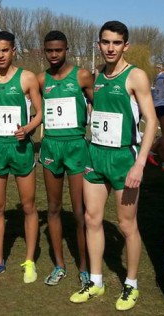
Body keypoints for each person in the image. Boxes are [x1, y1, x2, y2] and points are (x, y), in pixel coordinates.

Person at [69, 21, 158, 311]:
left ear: (125, 45)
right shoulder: (98, 76)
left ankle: (131, 284)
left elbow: (152, 121)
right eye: (105, 42)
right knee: (92, 219)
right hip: (96, 157)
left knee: (126, 225)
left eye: (116, 43)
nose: (110, 47)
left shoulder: (136, 76)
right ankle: (96, 281)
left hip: (123, 160)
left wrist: (140, 164)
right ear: (98, 44)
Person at [0, 31, 42, 283]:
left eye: (5, 50)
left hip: (21, 148)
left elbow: (40, 112)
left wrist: (29, 128)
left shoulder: (27, 78)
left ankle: (29, 261)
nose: (1, 55)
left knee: (28, 206)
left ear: (14, 50)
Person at [37, 31, 94, 287]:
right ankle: (59, 265)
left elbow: (101, 104)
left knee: (80, 210)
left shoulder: (81, 75)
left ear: (66, 49)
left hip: (76, 146)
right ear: (44, 51)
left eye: (58, 50)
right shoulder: (41, 79)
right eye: (49, 50)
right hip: (51, 147)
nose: (54, 54)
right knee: (53, 207)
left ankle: (84, 266)